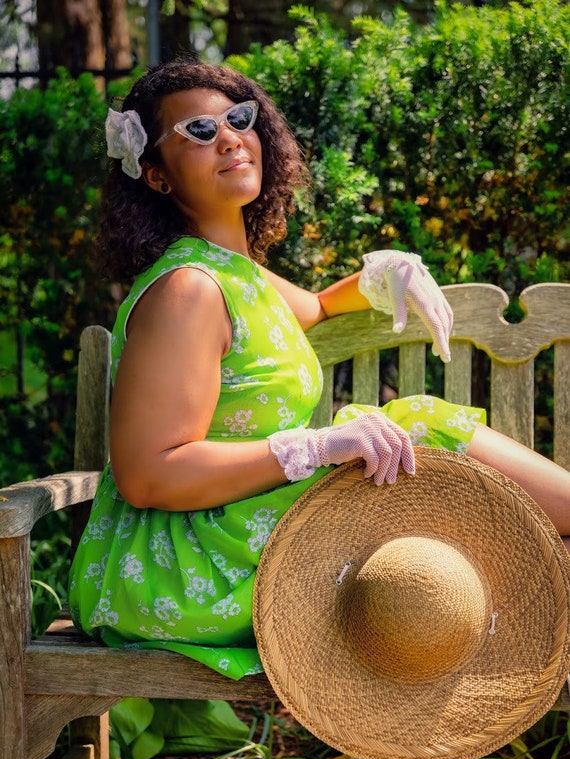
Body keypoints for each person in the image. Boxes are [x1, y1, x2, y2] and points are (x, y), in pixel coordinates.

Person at [68, 59, 570, 681]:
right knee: (417, 426)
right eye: (197, 132)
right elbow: (149, 477)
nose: (227, 137)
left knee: (411, 440)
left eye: (238, 119)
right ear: (158, 177)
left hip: (235, 531)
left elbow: (320, 306)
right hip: (185, 569)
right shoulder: (187, 291)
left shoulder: (232, 272)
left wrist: (389, 272)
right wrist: (315, 446)